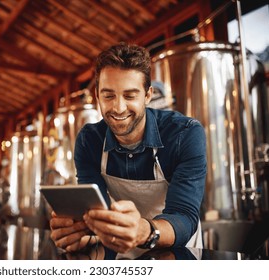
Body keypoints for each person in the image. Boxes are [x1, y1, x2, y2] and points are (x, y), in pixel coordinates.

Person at [49, 42, 206, 256]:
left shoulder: (185, 134)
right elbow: (95, 209)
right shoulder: (89, 140)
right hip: (120, 254)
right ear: (97, 96)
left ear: (148, 95)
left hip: (179, 253)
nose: (118, 108)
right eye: (109, 96)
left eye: (130, 96)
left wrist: (145, 232)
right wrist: (78, 231)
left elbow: (184, 216)